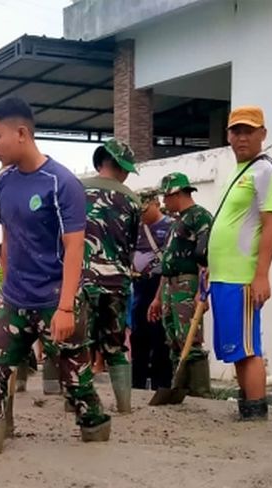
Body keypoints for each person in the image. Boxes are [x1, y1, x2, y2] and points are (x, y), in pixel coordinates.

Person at [0, 97, 110, 453]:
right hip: (16, 300)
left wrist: (65, 308)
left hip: (55, 301)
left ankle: (96, 437)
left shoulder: (61, 183)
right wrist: (4, 290)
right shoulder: (5, 182)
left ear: (22, 133)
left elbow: (75, 250)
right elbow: (7, 240)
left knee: (74, 384)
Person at [206, 106, 272, 420]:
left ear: (262, 134)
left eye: (249, 131)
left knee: (248, 348)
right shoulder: (239, 172)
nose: (242, 137)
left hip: (243, 276)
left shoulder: (268, 170)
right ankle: (246, 410)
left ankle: (255, 415)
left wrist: (261, 275)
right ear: (228, 135)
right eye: (236, 131)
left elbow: (271, 224)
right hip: (223, 276)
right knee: (236, 350)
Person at [81, 138, 142, 413]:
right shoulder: (132, 199)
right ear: (119, 166)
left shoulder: (76, 191)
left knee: (78, 344)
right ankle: (124, 405)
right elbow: (131, 245)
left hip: (81, 281)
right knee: (116, 347)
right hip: (117, 283)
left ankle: (77, 403)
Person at [148, 172, 213, 396]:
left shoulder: (200, 217)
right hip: (169, 285)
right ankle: (181, 389)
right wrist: (157, 298)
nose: (164, 203)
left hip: (188, 284)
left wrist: (201, 293)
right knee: (173, 339)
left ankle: (200, 391)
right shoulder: (177, 223)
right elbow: (168, 261)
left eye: (166, 197)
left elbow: (205, 258)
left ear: (177, 193)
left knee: (190, 339)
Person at [131, 188, 174, 390]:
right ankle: (136, 384)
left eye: (145, 210)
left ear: (156, 204)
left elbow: (171, 257)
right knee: (138, 334)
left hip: (159, 283)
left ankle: (160, 383)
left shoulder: (170, 226)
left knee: (160, 334)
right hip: (138, 285)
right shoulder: (136, 226)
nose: (142, 215)